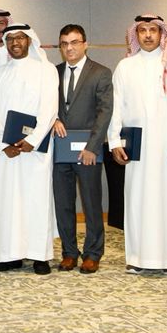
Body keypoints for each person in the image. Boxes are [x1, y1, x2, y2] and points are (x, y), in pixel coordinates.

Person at [108, 14, 167, 273]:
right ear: (136, 34)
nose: (147, 35)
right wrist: (114, 141)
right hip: (138, 148)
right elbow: (116, 106)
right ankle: (138, 257)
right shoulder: (125, 66)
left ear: (161, 33)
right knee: (138, 201)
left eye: (153, 30)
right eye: (143, 30)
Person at [0, 24, 59, 274]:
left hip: (35, 151)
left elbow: (49, 109)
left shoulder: (46, 70)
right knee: (8, 203)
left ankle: (40, 256)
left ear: (29, 41)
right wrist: (4, 143)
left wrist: (33, 140)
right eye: (10, 39)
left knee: (36, 201)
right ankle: (10, 255)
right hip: (6, 151)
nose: (15, 43)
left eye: (20, 38)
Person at [51, 23, 113, 273]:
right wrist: (53, 119)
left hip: (88, 151)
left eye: (74, 42)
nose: (69, 48)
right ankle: (69, 252)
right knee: (63, 203)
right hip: (60, 150)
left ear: (85, 44)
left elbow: (104, 112)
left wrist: (92, 147)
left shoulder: (101, 73)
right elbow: (46, 104)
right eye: (64, 44)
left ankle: (93, 253)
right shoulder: (53, 73)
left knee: (91, 203)